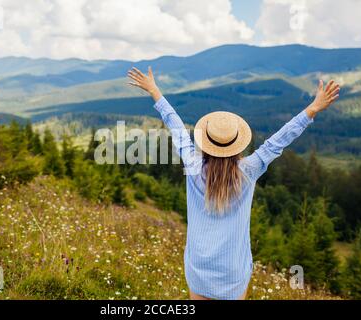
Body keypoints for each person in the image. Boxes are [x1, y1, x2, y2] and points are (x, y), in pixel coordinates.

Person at [127, 67, 340, 300]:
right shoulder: (249, 170)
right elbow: (277, 142)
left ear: (205, 141)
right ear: (237, 144)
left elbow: (176, 127)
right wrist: (312, 109)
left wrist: (154, 91)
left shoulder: (193, 166)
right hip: (233, 271)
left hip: (199, 267)